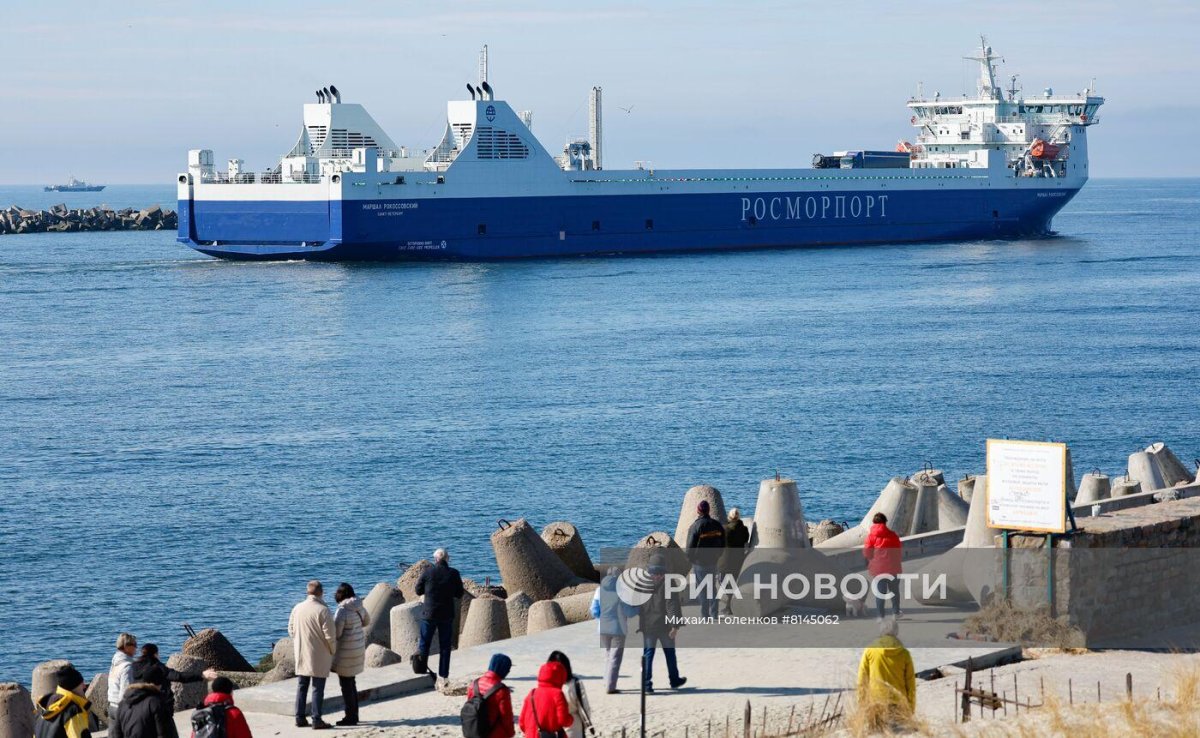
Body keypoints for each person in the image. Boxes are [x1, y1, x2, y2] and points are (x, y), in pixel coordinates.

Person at [131, 644, 218, 738]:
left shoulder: (133, 666)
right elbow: (178, 676)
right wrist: (202, 675)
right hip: (160, 709)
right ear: (155, 654)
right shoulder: (158, 667)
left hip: (137, 709)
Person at [288, 579, 337, 729]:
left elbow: (291, 629)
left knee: (302, 686)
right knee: (317, 688)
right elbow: (330, 636)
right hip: (319, 654)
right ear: (321, 592)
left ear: (307, 592)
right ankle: (316, 719)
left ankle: (299, 718)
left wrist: (299, 640)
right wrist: (333, 651)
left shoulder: (297, 608)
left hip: (301, 652)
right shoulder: (323, 610)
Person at [638, 554, 686, 693]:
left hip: (648, 626)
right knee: (670, 653)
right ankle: (674, 680)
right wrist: (675, 626)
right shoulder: (669, 582)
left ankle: (647, 685)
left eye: (660, 573)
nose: (658, 576)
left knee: (648, 654)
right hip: (665, 627)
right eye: (656, 573)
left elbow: (637, 605)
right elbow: (672, 605)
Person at [415, 548, 465, 680]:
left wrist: (428, 590)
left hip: (429, 613)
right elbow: (459, 593)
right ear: (447, 559)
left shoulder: (427, 572)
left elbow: (418, 590)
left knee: (424, 643)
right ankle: (444, 674)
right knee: (445, 646)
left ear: (435, 559)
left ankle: (421, 671)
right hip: (446, 614)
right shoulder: (454, 573)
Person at [856, 618, 916, 721]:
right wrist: (911, 707)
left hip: (875, 702)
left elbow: (862, 679)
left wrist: (862, 703)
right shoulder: (904, 653)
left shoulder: (870, 651)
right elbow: (910, 684)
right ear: (896, 632)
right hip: (899, 703)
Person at [590, 567, 637, 694]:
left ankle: (606, 681)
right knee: (615, 657)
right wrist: (638, 609)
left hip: (603, 628)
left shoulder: (599, 590)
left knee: (608, 655)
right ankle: (610, 687)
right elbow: (629, 612)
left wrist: (602, 618)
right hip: (618, 629)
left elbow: (594, 610)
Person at [332, 582, 370, 727]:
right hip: (358, 648)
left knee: (346, 685)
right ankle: (354, 714)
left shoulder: (342, 610)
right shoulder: (359, 606)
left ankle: (350, 716)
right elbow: (367, 621)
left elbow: (337, 633)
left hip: (346, 651)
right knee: (351, 682)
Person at [685, 500, 726, 619]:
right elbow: (723, 543)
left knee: (702, 588)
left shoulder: (695, 526)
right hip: (713, 561)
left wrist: (690, 559)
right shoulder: (717, 525)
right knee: (712, 587)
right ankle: (714, 613)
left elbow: (690, 547)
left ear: (698, 511)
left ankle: (705, 615)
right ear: (708, 510)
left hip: (699, 563)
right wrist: (718, 555)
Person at [863, 512, 903, 620]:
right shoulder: (893, 535)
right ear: (885, 522)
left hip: (878, 570)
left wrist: (870, 563)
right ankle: (895, 613)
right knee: (894, 591)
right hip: (893, 568)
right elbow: (898, 551)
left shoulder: (871, 537)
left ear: (874, 523)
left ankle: (881, 616)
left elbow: (867, 553)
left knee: (880, 593)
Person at [464, 654, 514, 738]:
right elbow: (506, 717)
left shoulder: (474, 684)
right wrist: (510, 733)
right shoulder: (502, 690)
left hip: (473, 730)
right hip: (494, 733)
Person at [518, 662, 573, 738]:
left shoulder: (532, 693)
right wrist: (571, 719)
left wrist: (531, 732)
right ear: (561, 677)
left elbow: (522, 722)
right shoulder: (558, 694)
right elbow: (563, 720)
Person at [34, 667, 92, 738]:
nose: (84, 686)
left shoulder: (43, 707)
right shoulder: (73, 711)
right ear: (74, 686)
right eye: (82, 683)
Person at [547, 652, 593, 738]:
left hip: (552, 726)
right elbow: (584, 708)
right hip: (573, 726)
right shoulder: (576, 683)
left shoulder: (546, 685)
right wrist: (586, 725)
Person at [719, 508, 750, 615]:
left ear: (729, 517)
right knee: (734, 581)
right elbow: (746, 540)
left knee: (723, 581)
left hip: (726, 561)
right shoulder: (744, 529)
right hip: (738, 559)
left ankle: (730, 605)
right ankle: (730, 604)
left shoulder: (725, 529)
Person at [108, 632, 138, 721]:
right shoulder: (127, 666)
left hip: (111, 706)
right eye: (134, 645)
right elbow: (126, 691)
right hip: (121, 709)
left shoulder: (115, 662)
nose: (136, 648)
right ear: (126, 646)